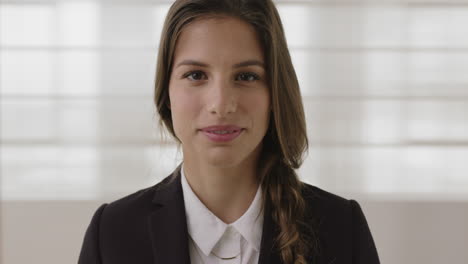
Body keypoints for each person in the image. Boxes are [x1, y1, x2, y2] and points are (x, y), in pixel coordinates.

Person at [78, 0, 380, 263]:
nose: (221, 104)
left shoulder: (342, 228)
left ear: (275, 92)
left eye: (246, 76)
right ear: (166, 93)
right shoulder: (113, 234)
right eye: (196, 75)